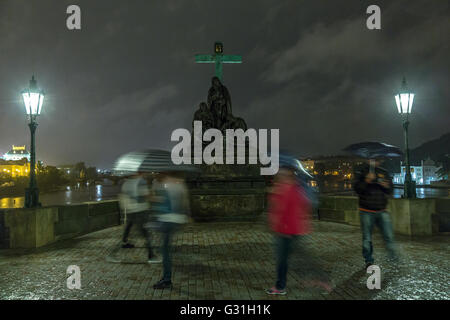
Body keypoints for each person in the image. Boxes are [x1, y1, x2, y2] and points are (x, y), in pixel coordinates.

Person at [266, 166, 312, 295]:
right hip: (290, 230)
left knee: (282, 260)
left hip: (285, 231)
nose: (280, 176)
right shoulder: (292, 189)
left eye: (283, 174)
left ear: (288, 176)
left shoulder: (288, 190)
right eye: (279, 174)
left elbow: (283, 211)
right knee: (289, 259)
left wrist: (281, 227)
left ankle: (281, 287)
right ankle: (309, 280)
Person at [354, 160, 398, 268]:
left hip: (382, 210)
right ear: (368, 160)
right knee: (367, 238)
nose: (376, 161)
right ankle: (368, 259)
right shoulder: (361, 171)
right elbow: (357, 189)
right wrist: (366, 180)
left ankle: (393, 258)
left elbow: (390, 190)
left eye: (378, 159)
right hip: (366, 211)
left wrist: (386, 186)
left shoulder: (384, 172)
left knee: (389, 236)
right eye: (373, 159)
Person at [150, 171, 190, 289]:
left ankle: (167, 280)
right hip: (174, 220)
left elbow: (165, 204)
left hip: (168, 220)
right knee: (164, 249)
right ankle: (166, 278)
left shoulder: (167, 185)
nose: (155, 175)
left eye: (158, 173)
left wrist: (153, 198)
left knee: (165, 251)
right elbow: (184, 203)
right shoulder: (179, 184)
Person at [119, 172, 159, 263]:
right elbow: (145, 196)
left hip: (130, 210)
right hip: (140, 210)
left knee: (129, 225)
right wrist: (155, 197)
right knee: (145, 232)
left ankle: (124, 242)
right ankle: (151, 255)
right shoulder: (141, 182)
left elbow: (124, 195)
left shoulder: (125, 183)